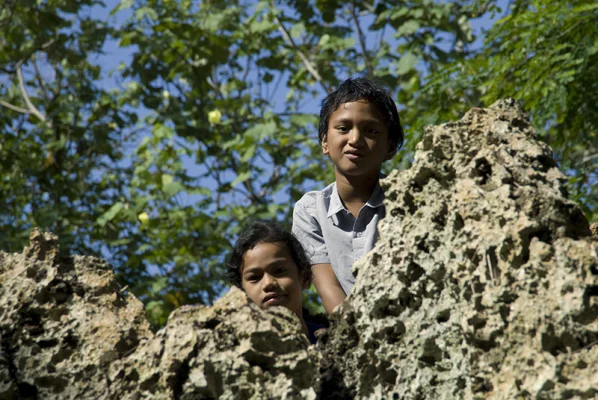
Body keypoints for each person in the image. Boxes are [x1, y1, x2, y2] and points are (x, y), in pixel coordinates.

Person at [292, 77, 404, 314]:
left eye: (371, 131)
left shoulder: (407, 200)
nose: (355, 140)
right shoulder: (310, 210)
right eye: (343, 128)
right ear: (324, 141)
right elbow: (328, 287)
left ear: (391, 146)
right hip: (350, 334)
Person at [227, 220, 326, 344]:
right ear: (241, 294)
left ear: (305, 277)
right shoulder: (238, 351)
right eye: (255, 277)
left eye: (279, 271)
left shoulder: (333, 341)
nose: (268, 283)